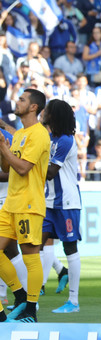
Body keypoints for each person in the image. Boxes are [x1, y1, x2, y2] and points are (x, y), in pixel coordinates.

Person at [0, 89, 49, 323]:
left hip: (29, 204)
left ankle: (31, 308)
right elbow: (8, 169)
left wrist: (6, 151)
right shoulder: (19, 133)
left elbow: (22, 168)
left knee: (31, 257)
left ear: (33, 107)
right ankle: (19, 295)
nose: (17, 102)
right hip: (11, 203)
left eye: (22, 99)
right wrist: (2, 147)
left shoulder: (39, 134)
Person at [40, 100, 82, 315]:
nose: (42, 112)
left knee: (70, 249)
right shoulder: (49, 138)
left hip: (67, 203)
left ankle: (73, 302)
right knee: (35, 245)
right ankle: (32, 300)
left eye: (46, 110)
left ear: (53, 115)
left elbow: (50, 172)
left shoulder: (65, 140)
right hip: (47, 203)